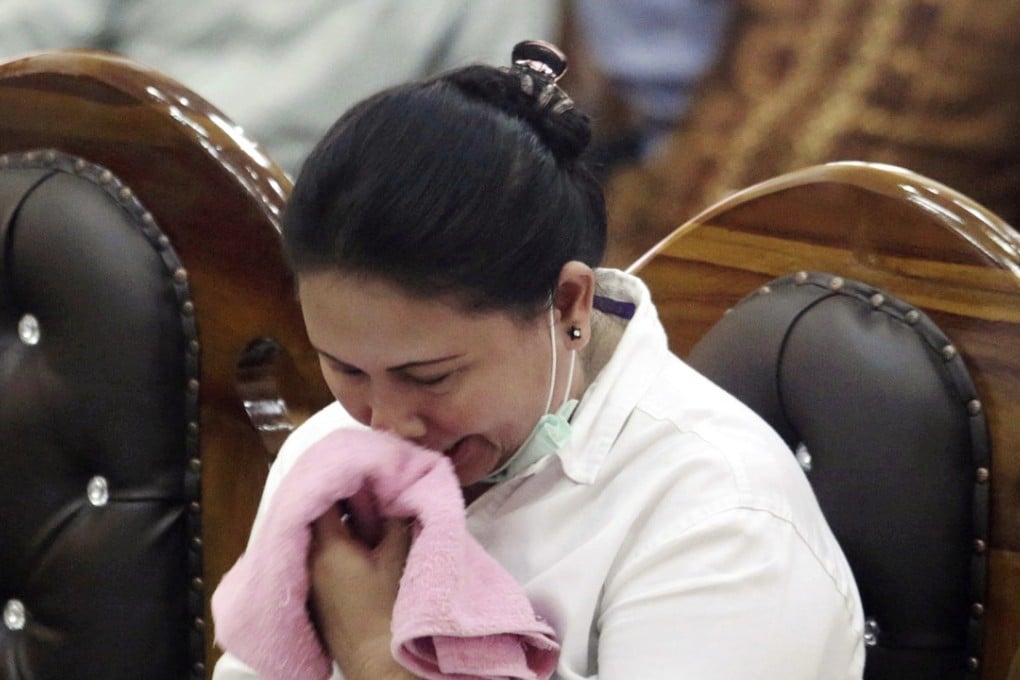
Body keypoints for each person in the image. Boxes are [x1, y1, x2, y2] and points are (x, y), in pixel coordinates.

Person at [212, 41, 865, 680]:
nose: (384, 423)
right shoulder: (331, 464)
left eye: (431, 377)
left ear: (569, 304)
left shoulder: (717, 517)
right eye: (346, 370)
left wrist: (372, 649)